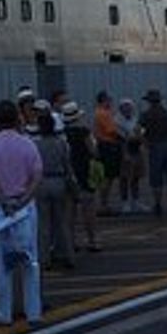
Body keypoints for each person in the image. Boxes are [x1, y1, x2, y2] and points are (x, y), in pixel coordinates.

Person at [0, 101, 43, 329]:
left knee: (2, 263)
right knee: (30, 260)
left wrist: (3, 201)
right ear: (17, 118)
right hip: (25, 206)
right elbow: (37, 175)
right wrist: (23, 200)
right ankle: (33, 311)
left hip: (0, 207)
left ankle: (3, 312)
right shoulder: (28, 144)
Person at [32, 111, 75, 271]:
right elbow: (67, 164)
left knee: (43, 223)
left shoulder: (35, 144)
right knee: (62, 221)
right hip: (59, 180)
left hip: (42, 181)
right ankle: (67, 255)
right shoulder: (61, 143)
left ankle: (44, 258)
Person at [59, 103, 99, 253]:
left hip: (69, 173)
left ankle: (71, 242)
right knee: (88, 209)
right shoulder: (84, 132)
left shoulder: (61, 134)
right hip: (85, 172)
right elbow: (93, 151)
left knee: (70, 211)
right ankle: (92, 240)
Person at [137, 91, 167, 218]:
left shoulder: (146, 115)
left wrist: (145, 142)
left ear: (149, 101)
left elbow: (138, 131)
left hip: (155, 147)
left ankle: (158, 205)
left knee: (156, 178)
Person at [90, 93, 121, 214]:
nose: (110, 103)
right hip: (108, 146)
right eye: (109, 100)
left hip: (104, 145)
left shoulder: (100, 112)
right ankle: (104, 205)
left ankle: (104, 203)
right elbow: (111, 131)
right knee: (108, 176)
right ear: (104, 100)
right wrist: (123, 138)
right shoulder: (103, 113)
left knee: (107, 177)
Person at [115, 98, 144, 214]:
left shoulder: (135, 119)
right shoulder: (117, 121)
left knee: (136, 177)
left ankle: (136, 201)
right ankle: (124, 202)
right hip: (125, 151)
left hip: (137, 150)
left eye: (129, 107)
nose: (128, 109)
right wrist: (124, 153)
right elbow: (121, 139)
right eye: (125, 107)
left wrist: (138, 136)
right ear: (121, 109)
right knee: (124, 177)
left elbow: (141, 134)